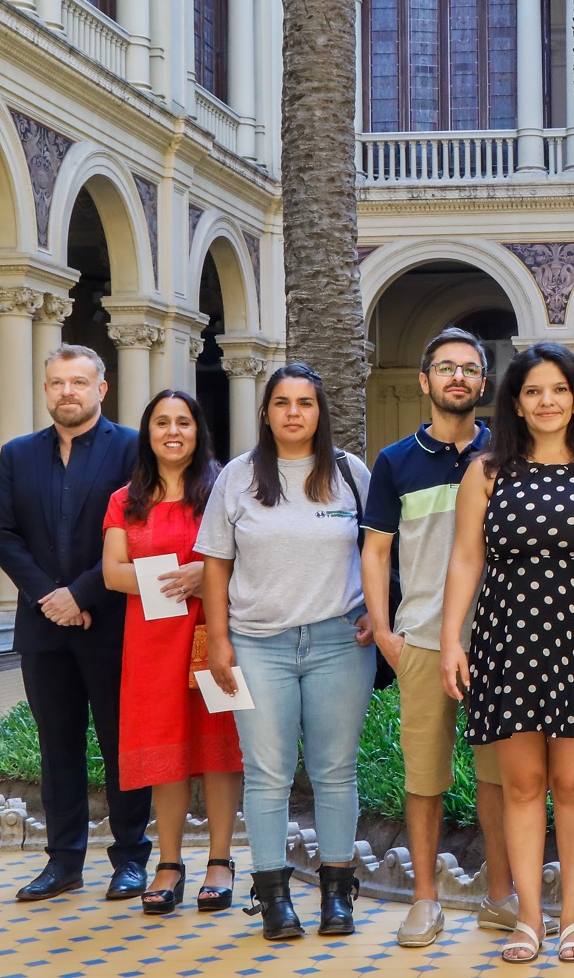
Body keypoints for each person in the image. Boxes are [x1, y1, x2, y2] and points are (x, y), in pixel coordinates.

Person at [440, 343, 574, 964]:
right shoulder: (487, 471)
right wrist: (450, 642)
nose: (548, 402)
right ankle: (528, 918)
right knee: (521, 784)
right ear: (516, 402)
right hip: (507, 638)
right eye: (534, 391)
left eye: (559, 390)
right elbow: (466, 559)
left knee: (573, 783)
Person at [198, 365, 375, 942]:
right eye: (282, 402)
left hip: (338, 643)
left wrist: (379, 609)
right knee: (267, 774)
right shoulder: (237, 476)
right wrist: (220, 641)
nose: (294, 412)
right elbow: (216, 566)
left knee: (335, 772)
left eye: (305, 402)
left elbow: (378, 551)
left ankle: (336, 895)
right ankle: (273, 896)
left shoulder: (350, 473)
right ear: (267, 412)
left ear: (320, 412)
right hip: (257, 643)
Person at [361, 328, 516, 948]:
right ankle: (425, 899)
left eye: (470, 369)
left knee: (499, 778)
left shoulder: (506, 453)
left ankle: (500, 896)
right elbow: (375, 552)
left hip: (500, 641)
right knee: (423, 777)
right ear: (424, 381)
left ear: (484, 383)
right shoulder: (395, 461)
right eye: (446, 368)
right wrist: (383, 632)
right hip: (421, 638)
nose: (459, 377)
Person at [0, 344, 152, 902]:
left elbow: (140, 532)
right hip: (43, 628)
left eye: (78, 382)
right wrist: (48, 598)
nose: (67, 392)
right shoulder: (17, 455)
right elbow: (3, 534)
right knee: (57, 747)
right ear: (46, 390)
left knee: (120, 743)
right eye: (57, 383)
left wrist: (81, 593)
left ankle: (130, 859)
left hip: (112, 623)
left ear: (101, 389)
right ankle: (64, 863)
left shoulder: (134, 449)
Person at [99, 390, 242, 914]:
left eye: (183, 421)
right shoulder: (125, 499)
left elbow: (247, 554)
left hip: (214, 636)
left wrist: (207, 577)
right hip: (153, 645)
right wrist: (178, 579)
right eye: (162, 422)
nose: (173, 431)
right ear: (149, 432)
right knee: (166, 752)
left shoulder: (223, 489)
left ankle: (221, 861)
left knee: (220, 745)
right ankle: (170, 861)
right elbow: (113, 573)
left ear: (198, 430)